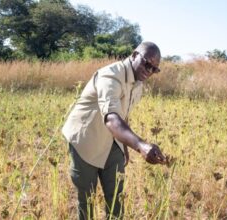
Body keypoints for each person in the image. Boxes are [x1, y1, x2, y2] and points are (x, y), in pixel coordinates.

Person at [62, 41, 167, 219]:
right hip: (85, 139)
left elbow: (122, 114)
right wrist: (141, 145)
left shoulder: (138, 84)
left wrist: (124, 146)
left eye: (154, 69)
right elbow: (111, 118)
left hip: (112, 140)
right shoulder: (110, 76)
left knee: (117, 198)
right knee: (87, 201)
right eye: (146, 63)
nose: (148, 71)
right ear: (134, 55)